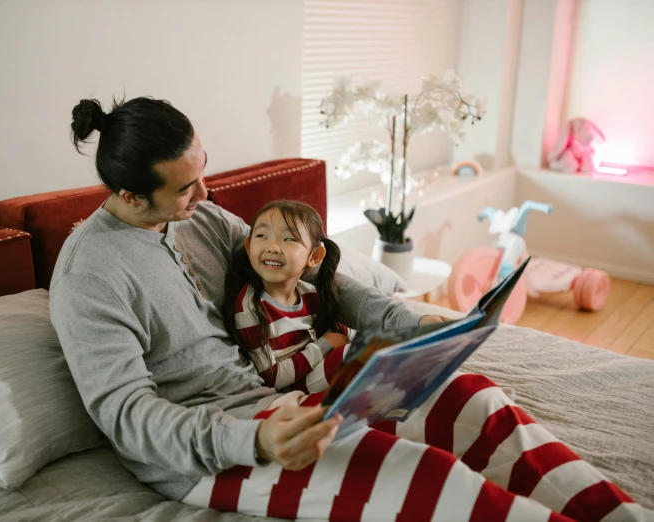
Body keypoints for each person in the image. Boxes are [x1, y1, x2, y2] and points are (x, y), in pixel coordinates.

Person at [50, 95, 645, 521]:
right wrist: (251, 443)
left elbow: (313, 275)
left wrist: (413, 322)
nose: (207, 196)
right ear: (128, 195)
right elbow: (126, 416)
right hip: (209, 449)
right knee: (428, 479)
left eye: (204, 171)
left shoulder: (199, 218)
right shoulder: (89, 278)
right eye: (185, 188)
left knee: (474, 400)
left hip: (283, 397)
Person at [224, 199, 350, 394]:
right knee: (355, 357)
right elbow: (271, 378)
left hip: (316, 369)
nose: (273, 247)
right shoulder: (250, 307)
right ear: (249, 247)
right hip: (291, 387)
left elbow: (338, 332)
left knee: (375, 346)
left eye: (289, 239)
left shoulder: (310, 293)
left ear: (314, 256)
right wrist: (325, 345)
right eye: (262, 235)